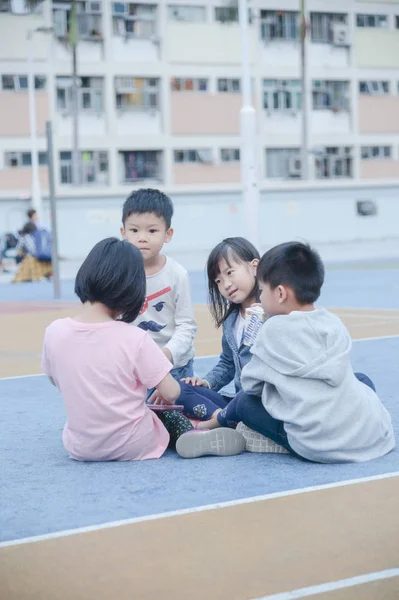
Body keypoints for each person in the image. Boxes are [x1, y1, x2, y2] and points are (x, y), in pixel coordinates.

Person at [41, 238, 245, 461]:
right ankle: (192, 429)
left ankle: (201, 426)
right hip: (134, 444)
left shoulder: (54, 332)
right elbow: (171, 392)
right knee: (165, 412)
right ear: (131, 290)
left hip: (80, 447)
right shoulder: (135, 338)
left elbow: (55, 379)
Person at [202, 241, 396, 463]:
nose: (261, 297)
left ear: (281, 293)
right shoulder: (333, 322)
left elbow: (251, 387)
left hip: (315, 443)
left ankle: (234, 431)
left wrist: (255, 335)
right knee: (359, 380)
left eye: (263, 291)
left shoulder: (272, 329)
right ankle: (355, 423)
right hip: (362, 435)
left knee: (244, 403)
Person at [177, 237, 260, 426]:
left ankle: (218, 423)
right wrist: (205, 383)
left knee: (244, 403)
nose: (226, 285)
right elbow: (227, 364)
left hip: (263, 402)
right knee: (179, 389)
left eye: (230, 273)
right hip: (239, 403)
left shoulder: (271, 312)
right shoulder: (231, 320)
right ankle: (225, 420)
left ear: (254, 266)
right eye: (219, 281)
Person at [121, 189, 197, 388]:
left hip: (174, 366)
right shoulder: (119, 273)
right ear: (123, 233)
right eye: (134, 230)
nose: (142, 238)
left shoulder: (177, 274)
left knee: (175, 417)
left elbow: (186, 325)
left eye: (152, 231)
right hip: (131, 367)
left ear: (168, 234)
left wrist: (165, 355)